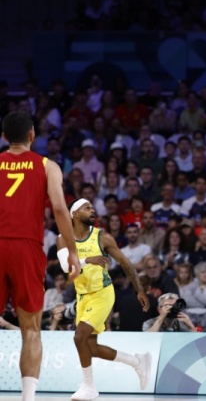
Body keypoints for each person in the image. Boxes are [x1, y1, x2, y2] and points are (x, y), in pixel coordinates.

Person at [0, 110, 81, 401]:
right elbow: (59, 208)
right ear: (32, 135)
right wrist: (71, 250)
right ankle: (27, 398)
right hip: (27, 248)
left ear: (4, 137)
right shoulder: (47, 166)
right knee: (31, 329)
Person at [62, 199, 152, 401]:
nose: (92, 210)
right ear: (75, 214)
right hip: (82, 295)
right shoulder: (66, 239)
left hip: (102, 293)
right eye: (87, 208)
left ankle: (89, 387)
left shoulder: (102, 237)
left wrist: (139, 290)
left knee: (79, 337)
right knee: (91, 348)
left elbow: (125, 263)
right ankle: (137, 362)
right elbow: (66, 267)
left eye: (92, 207)